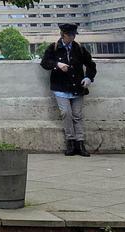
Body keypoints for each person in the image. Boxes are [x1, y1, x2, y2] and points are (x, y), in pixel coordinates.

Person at [40, 22, 96, 156]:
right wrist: (57, 64)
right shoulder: (54, 48)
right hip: (60, 87)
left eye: (73, 35)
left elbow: (90, 64)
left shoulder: (79, 48)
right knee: (66, 113)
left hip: (77, 86)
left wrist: (88, 78)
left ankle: (80, 142)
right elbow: (44, 63)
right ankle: (70, 141)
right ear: (63, 35)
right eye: (69, 35)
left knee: (77, 115)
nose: (72, 38)